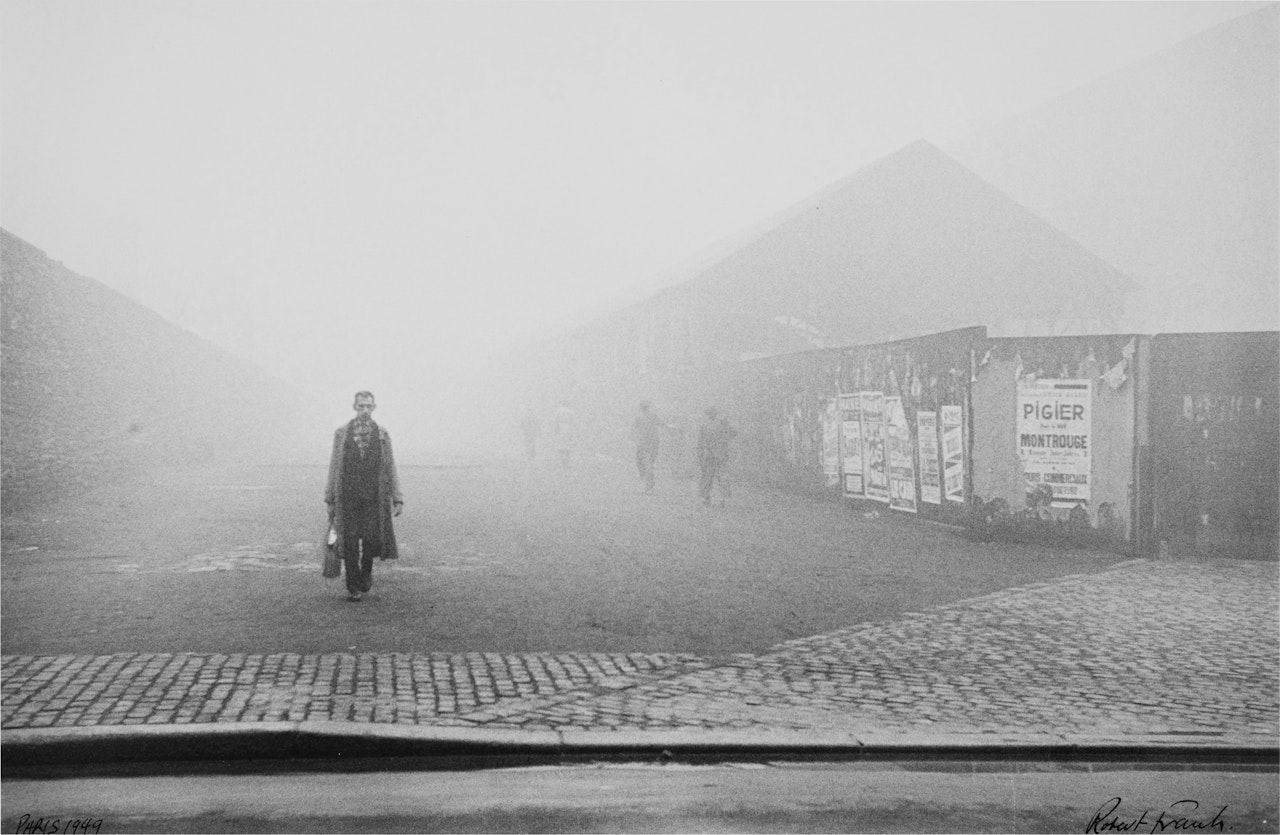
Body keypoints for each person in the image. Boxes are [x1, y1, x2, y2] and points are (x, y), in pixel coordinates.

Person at [324, 391, 403, 602]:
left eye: (368, 406)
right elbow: (334, 466)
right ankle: (353, 586)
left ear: (374, 407)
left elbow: (390, 466)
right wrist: (330, 496)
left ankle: (366, 571)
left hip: (373, 498)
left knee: (370, 540)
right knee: (349, 541)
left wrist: (397, 497)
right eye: (361, 406)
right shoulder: (342, 433)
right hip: (347, 497)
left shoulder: (382, 434)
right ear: (354, 407)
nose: (365, 410)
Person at [696, 406, 737, 507]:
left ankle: (708, 497)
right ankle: (722, 498)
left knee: (709, 477)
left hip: (711, 454)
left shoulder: (706, 425)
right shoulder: (720, 423)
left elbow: (700, 443)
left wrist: (701, 455)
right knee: (720, 476)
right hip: (718, 454)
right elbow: (733, 433)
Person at [632, 400, 669, 492]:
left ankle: (647, 482)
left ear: (640, 408)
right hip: (654, 443)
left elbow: (633, 429)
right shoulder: (653, 416)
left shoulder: (639, 418)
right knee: (650, 462)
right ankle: (649, 483)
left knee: (642, 462)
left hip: (643, 443)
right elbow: (663, 425)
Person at [553, 400, 576, 469]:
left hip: (560, 429)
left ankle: (562, 461)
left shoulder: (558, 411)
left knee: (561, 445)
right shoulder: (570, 411)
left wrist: (555, 430)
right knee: (568, 446)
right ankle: (567, 461)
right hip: (569, 430)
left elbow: (555, 421)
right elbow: (573, 422)